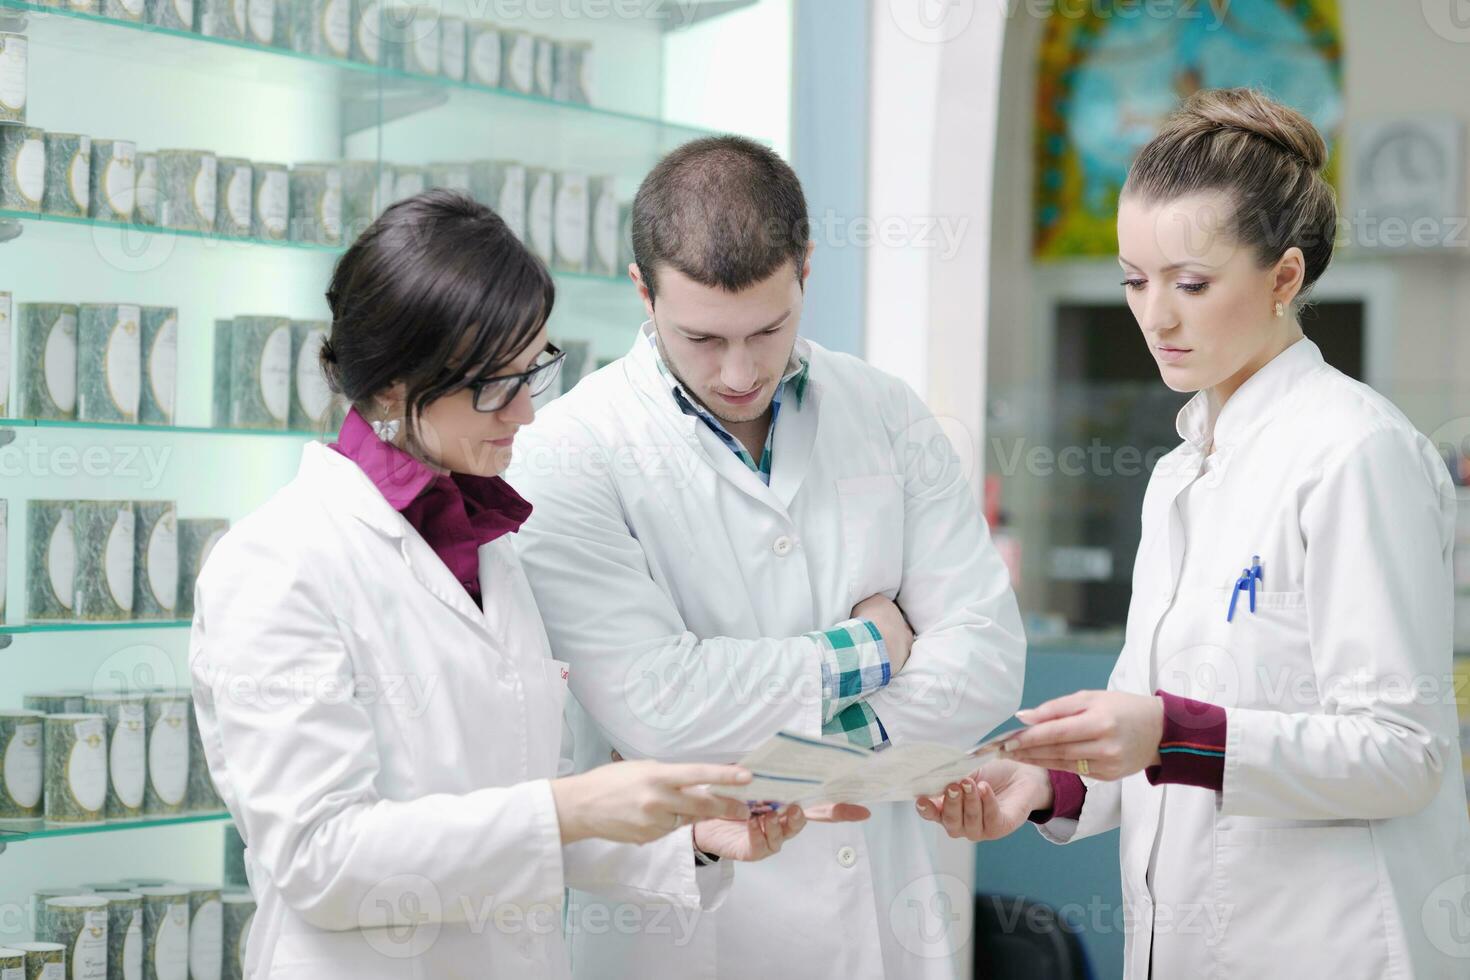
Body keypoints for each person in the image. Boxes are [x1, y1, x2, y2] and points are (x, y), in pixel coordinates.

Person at [188, 190, 863, 980]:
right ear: (393, 388)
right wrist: (570, 807)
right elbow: (321, 859)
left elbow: (509, 814)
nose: (525, 414)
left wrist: (687, 837)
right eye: (491, 386)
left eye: (533, 371)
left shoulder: (489, 551)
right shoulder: (277, 564)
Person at [916, 88, 1470, 978]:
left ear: (1285, 278)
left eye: (1193, 284)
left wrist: (1171, 732)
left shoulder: (1356, 452)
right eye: (1135, 280)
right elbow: (1151, 724)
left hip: (1326, 946)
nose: (1155, 316)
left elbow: (1404, 754)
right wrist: (1048, 784)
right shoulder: (1183, 471)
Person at [509, 136, 1026, 978]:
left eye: (768, 328)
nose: (741, 371)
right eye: (703, 338)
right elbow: (662, 706)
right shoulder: (567, 452)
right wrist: (877, 649)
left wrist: (810, 757)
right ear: (644, 291)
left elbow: (988, 660)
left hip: (886, 924)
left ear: (806, 271)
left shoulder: (885, 412)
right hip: (686, 935)